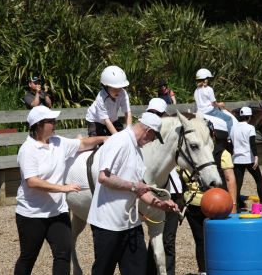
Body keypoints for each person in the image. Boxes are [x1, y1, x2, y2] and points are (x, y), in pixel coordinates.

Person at [14, 105, 107, 275]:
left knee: (63, 254)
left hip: (57, 212)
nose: (55, 123)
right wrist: (62, 188)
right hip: (31, 214)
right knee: (28, 257)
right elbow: (32, 182)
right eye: (51, 121)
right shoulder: (28, 149)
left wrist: (105, 139)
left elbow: (83, 143)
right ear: (39, 125)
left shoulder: (58, 142)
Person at [87, 112, 179, 275]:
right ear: (148, 131)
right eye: (153, 137)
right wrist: (132, 186)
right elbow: (104, 177)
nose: (151, 141)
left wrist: (160, 204)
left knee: (138, 270)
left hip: (131, 224)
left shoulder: (136, 150)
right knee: (103, 271)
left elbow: (140, 188)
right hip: (108, 224)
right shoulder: (119, 141)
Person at [179, 116, 237, 275]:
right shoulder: (221, 153)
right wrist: (232, 204)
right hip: (210, 203)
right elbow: (230, 179)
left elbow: (230, 179)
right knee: (210, 239)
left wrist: (232, 204)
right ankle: (210, 270)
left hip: (203, 202)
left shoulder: (192, 152)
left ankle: (207, 270)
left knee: (202, 240)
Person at [146, 97, 184, 275]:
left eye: (159, 114)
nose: (156, 117)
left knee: (166, 240)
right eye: (152, 113)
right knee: (155, 240)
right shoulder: (147, 135)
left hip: (172, 192)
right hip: (152, 191)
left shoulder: (170, 134)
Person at [230, 106, 262, 213]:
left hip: (237, 159)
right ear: (249, 117)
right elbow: (252, 144)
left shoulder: (233, 128)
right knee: (259, 180)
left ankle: (236, 206)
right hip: (249, 159)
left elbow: (232, 143)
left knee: (238, 183)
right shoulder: (250, 128)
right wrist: (256, 157)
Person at [86, 65, 132, 136]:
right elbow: (106, 120)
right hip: (95, 120)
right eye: (115, 89)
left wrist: (129, 130)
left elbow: (127, 112)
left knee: (122, 134)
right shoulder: (101, 98)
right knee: (98, 141)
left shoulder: (123, 93)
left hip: (112, 118)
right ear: (106, 87)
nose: (118, 91)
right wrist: (117, 136)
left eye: (120, 88)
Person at [194, 68, 233, 134]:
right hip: (210, 111)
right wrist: (221, 104)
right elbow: (214, 104)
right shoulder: (209, 89)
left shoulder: (196, 90)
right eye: (209, 78)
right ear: (206, 79)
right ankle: (230, 138)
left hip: (200, 112)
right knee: (229, 119)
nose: (210, 80)